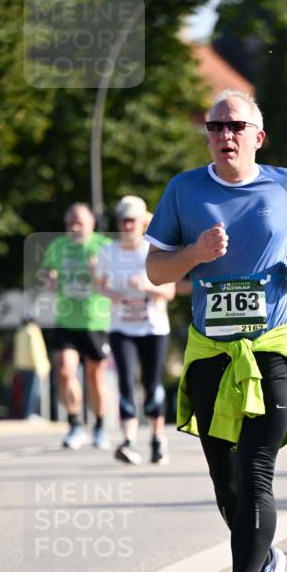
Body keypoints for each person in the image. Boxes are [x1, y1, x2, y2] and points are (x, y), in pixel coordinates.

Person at [145, 89, 287, 572]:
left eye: (235, 126)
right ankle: (266, 561)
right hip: (210, 350)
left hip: (273, 343)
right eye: (215, 126)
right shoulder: (184, 190)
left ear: (258, 136)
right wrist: (194, 255)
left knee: (255, 470)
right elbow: (157, 271)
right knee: (225, 481)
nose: (225, 135)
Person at [96, 195, 175, 465]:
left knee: (152, 385)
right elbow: (100, 284)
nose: (127, 226)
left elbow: (170, 291)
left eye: (132, 221)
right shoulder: (108, 251)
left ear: (143, 223)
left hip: (153, 327)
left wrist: (146, 287)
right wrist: (112, 294)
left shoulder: (153, 250)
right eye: (123, 221)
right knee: (126, 382)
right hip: (121, 327)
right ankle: (128, 441)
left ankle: (157, 438)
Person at [41, 203, 112, 449]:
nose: (74, 226)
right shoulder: (57, 246)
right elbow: (45, 273)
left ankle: (100, 426)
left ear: (91, 222)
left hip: (96, 320)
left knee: (95, 376)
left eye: (79, 221)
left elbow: (117, 281)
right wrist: (48, 279)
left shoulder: (104, 246)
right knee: (63, 369)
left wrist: (99, 273)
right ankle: (74, 425)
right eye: (70, 222)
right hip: (66, 320)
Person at [12, 313, 51, 418]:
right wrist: (41, 368)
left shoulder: (20, 332)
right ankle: (29, 414)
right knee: (32, 393)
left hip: (22, 367)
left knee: (26, 392)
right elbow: (36, 351)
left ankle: (27, 413)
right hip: (34, 367)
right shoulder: (33, 331)